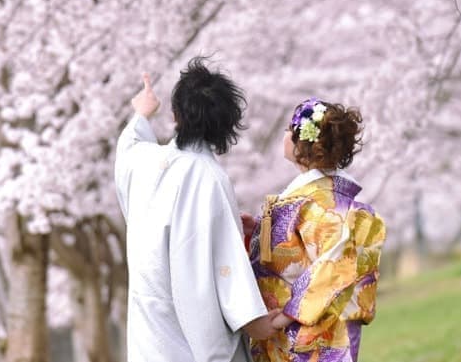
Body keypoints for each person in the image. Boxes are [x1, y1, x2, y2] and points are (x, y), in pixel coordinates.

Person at [115, 58, 280, 362]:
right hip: (191, 344)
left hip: (148, 340)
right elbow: (224, 265)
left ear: (176, 114)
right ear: (226, 127)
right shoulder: (209, 178)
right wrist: (257, 324)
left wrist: (141, 112)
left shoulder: (144, 163)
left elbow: (127, 149)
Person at [243, 97, 386, 362]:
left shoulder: (322, 204)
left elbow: (332, 267)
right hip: (295, 325)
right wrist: (258, 232)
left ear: (303, 145)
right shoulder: (316, 198)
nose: (285, 134)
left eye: (289, 130)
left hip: (308, 329)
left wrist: (287, 315)